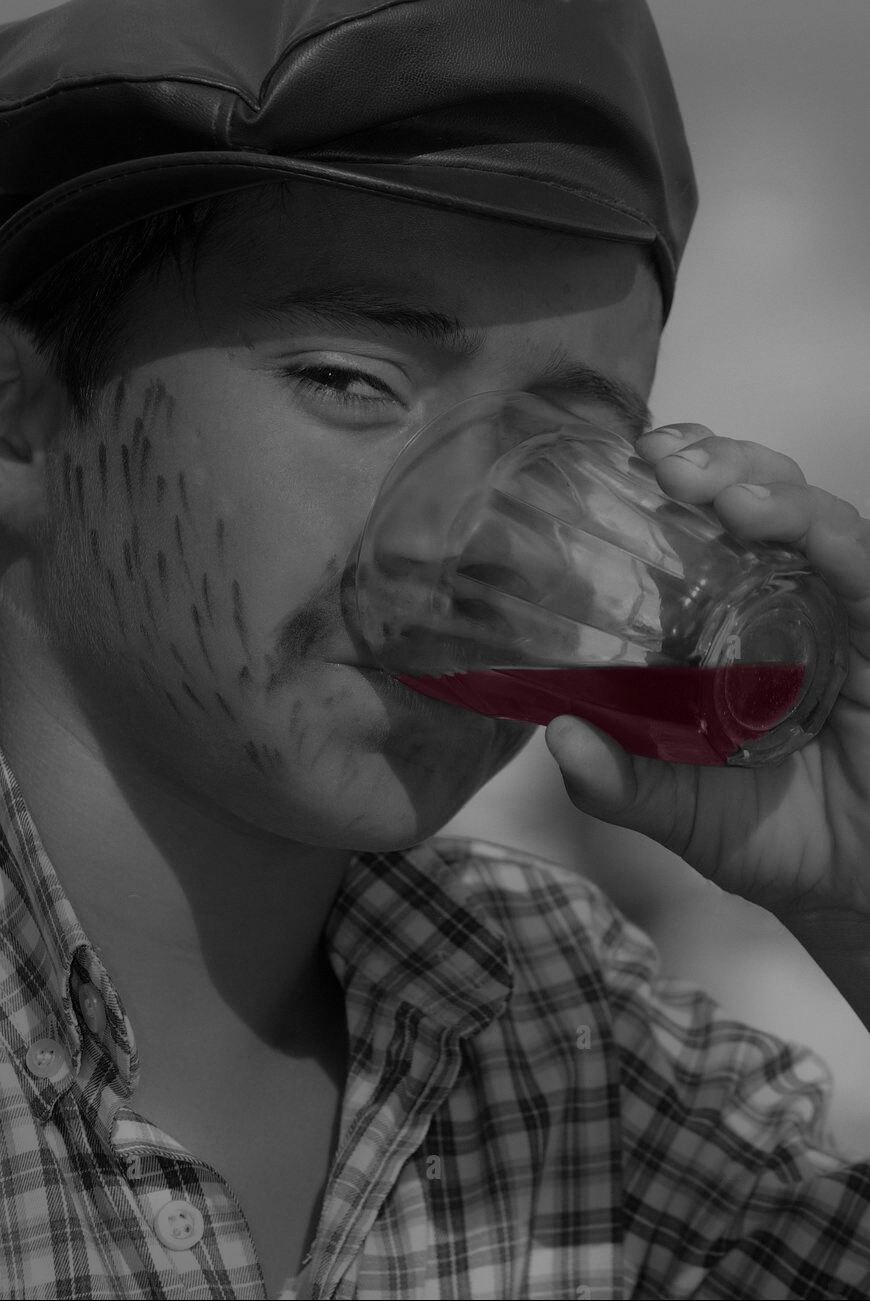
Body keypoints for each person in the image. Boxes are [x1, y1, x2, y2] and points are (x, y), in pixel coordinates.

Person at [0, 0, 868, 1297]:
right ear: (20, 418)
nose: (468, 541)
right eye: (354, 382)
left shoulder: (567, 1028)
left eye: (566, 442)